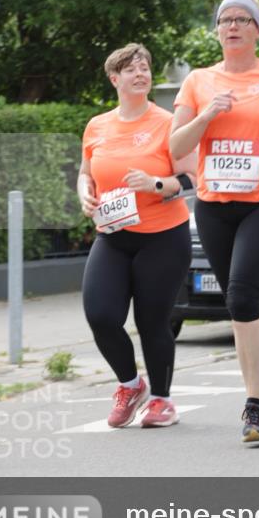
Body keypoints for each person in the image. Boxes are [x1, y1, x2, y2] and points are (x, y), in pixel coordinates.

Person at [170, 0, 259, 444]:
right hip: (214, 205)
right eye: (225, 20)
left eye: (242, 19)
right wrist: (206, 115)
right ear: (217, 30)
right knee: (241, 305)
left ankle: (254, 404)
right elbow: (175, 147)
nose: (232, 26)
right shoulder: (198, 81)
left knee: (242, 294)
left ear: (258, 30)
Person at [78, 43, 196, 429]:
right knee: (101, 314)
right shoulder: (97, 126)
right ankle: (130, 385)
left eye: (144, 67)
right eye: (131, 69)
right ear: (115, 79)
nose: (140, 73)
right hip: (113, 235)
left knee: (152, 321)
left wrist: (155, 183)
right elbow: (86, 173)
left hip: (163, 235)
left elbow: (190, 178)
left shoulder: (167, 123)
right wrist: (83, 192)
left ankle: (162, 399)